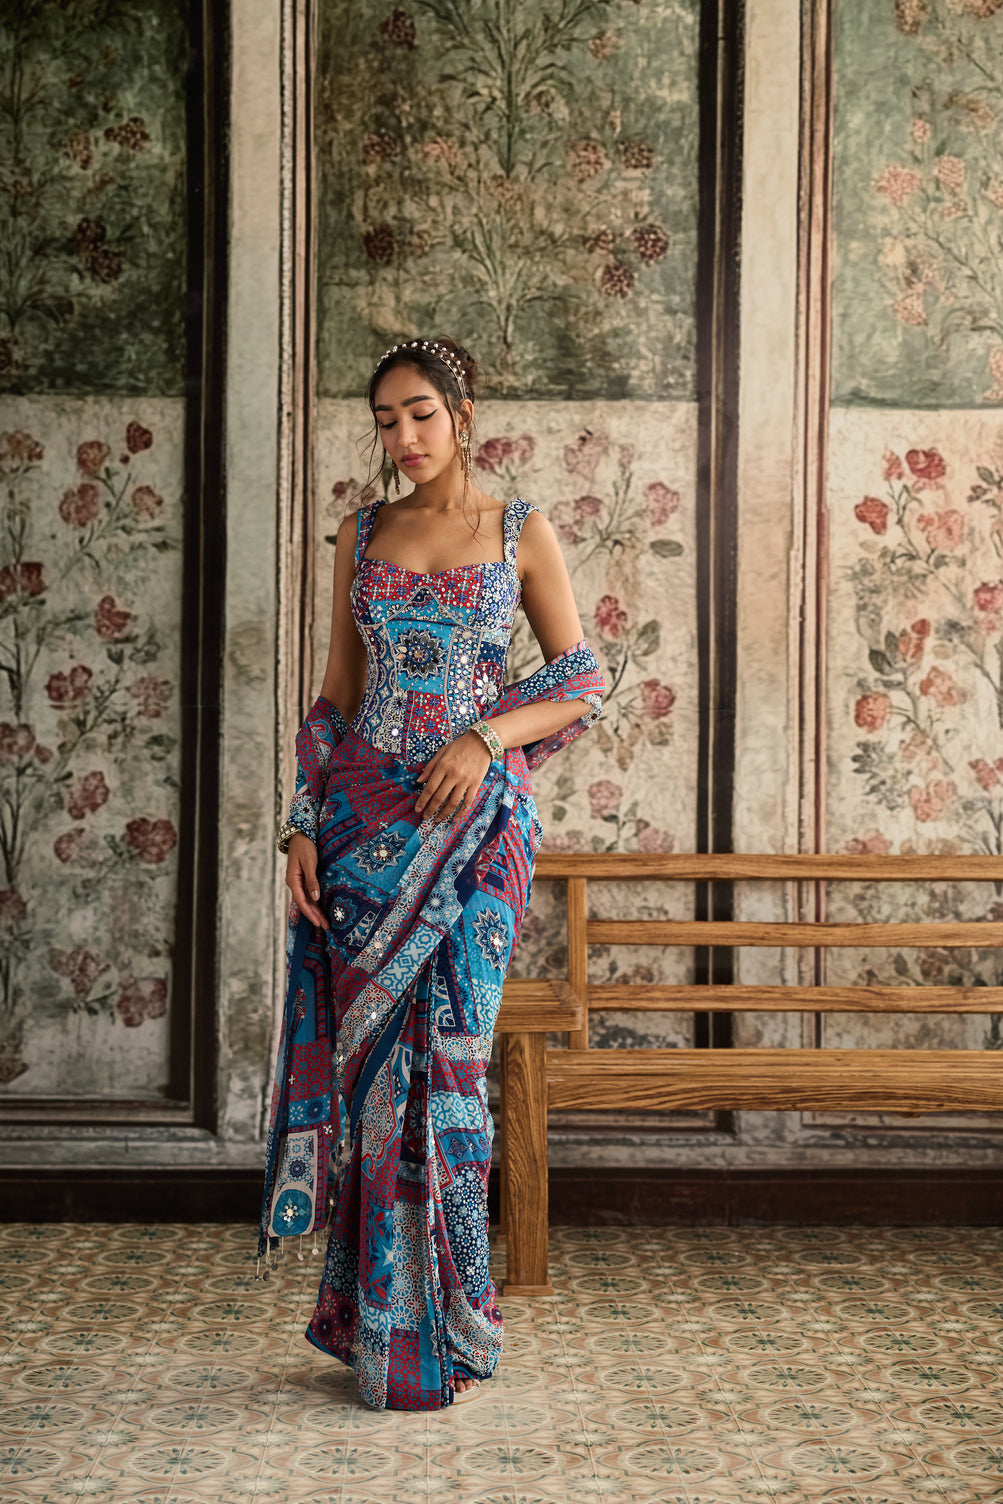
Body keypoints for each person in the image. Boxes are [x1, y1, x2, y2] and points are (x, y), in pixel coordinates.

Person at [258, 336, 604, 1410]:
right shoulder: (361, 533)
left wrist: (484, 737)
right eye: (384, 420)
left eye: (419, 414)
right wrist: (300, 823)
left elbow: (581, 677)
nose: (402, 437)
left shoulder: (518, 529)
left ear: (462, 414)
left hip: (473, 833)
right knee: (372, 1087)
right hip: (360, 828)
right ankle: (378, 1328)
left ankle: (452, 1325)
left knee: (450, 1068)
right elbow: (335, 693)